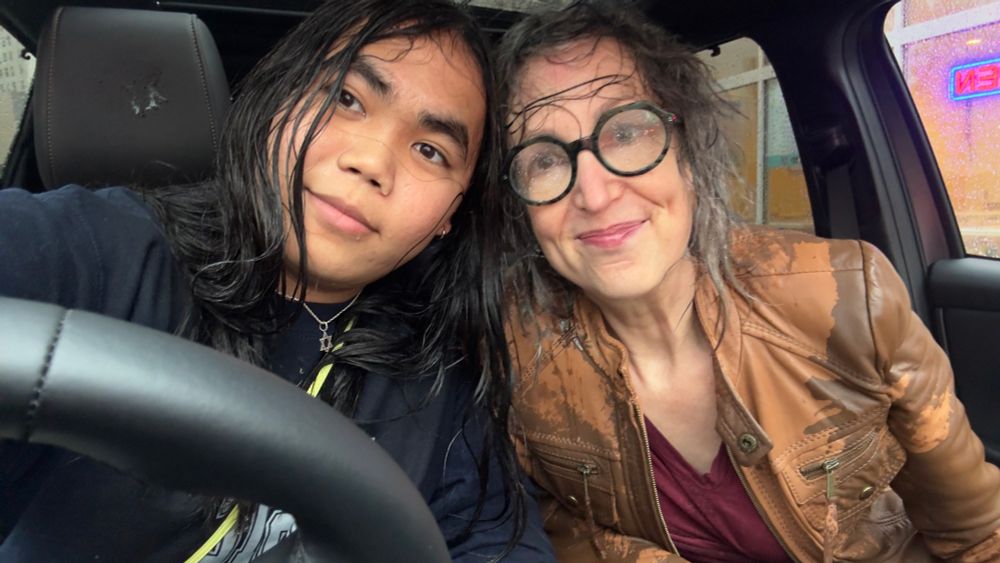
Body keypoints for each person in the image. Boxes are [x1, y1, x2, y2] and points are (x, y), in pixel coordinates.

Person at [0, 0, 555, 561]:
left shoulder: (440, 380)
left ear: (447, 218)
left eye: (431, 150)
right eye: (346, 98)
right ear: (278, 98)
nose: (371, 161)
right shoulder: (97, 252)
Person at [494, 2, 1000, 562]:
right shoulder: (513, 354)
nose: (594, 193)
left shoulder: (847, 296)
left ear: (688, 151)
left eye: (627, 132)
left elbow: (979, 533)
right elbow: (545, 517)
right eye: (543, 160)